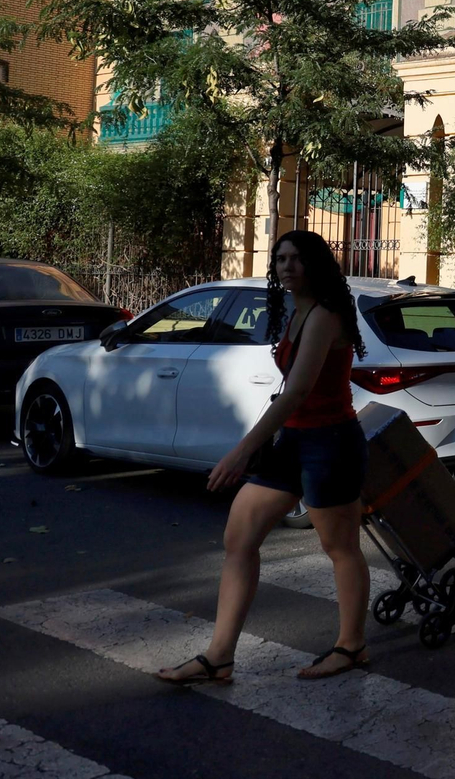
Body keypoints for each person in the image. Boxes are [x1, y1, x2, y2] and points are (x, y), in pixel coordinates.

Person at [157, 230, 371, 685]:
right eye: (280, 259)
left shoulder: (325, 314)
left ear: (316, 264)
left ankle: (351, 645)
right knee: (240, 537)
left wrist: (241, 451)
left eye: (297, 258)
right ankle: (219, 658)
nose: (287, 266)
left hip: (329, 443)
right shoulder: (297, 312)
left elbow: (297, 391)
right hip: (293, 441)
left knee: (340, 548)